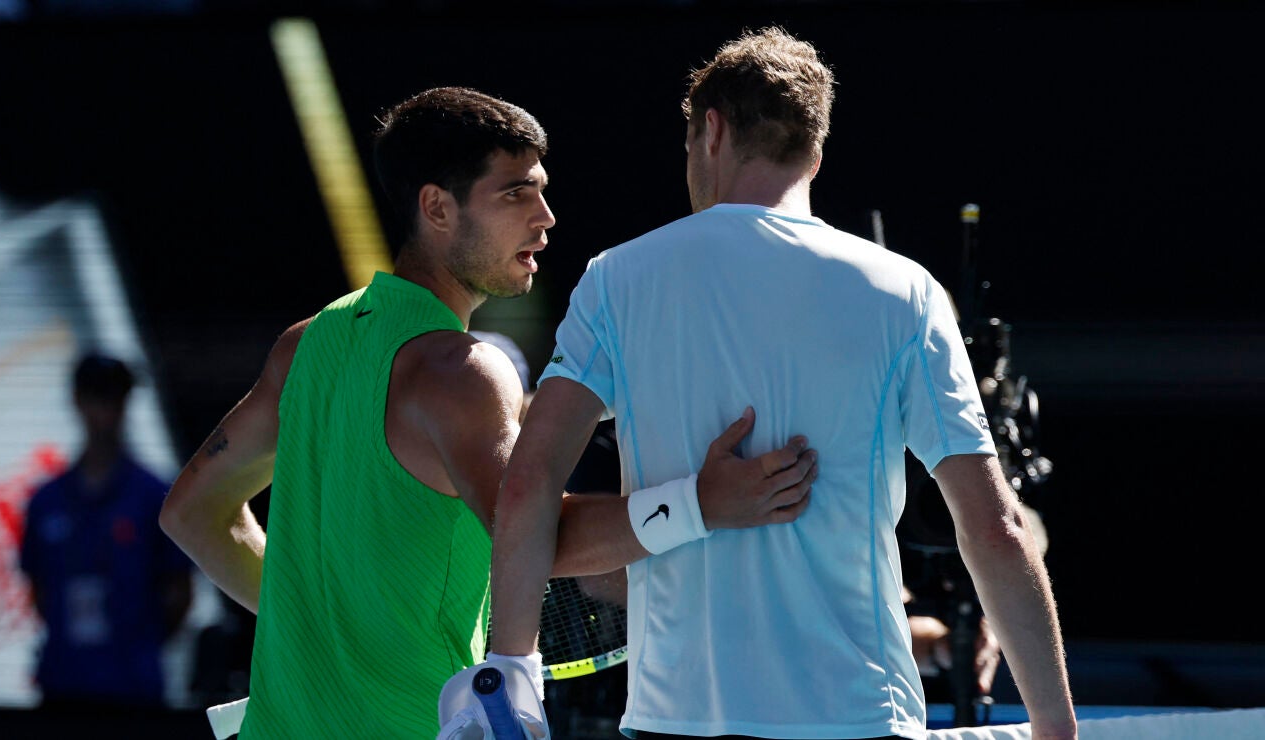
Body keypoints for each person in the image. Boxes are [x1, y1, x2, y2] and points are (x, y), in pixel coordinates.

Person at [159, 86, 817, 738]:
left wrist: (307, 625)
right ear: (437, 208)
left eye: (541, 189)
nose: (546, 215)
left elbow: (192, 512)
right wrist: (703, 503)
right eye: (515, 193)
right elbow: (537, 534)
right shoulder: (464, 372)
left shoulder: (306, 345)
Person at [486, 26, 1077, 740]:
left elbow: (527, 486)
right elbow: (994, 528)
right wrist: (1054, 726)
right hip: (860, 717)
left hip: (677, 720)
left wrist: (510, 676)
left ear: (711, 130)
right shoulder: (906, 291)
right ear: (815, 154)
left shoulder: (617, 279)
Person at [20, 351, 193, 711]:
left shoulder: (153, 496)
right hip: (64, 685)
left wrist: (138, 643)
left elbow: (179, 592)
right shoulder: (46, 501)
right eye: (98, 395)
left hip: (134, 690)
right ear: (78, 400)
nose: (107, 410)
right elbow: (38, 593)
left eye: (116, 396)